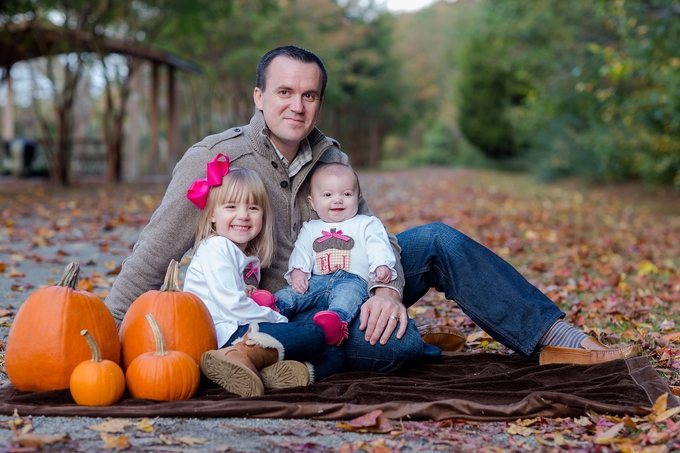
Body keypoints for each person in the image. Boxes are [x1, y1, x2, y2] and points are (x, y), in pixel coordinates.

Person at [105, 45, 640, 373]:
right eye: (285, 92)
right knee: (393, 344)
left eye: (310, 95)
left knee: (438, 240)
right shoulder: (217, 159)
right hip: (285, 310)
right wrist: (103, 340)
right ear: (258, 97)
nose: (298, 105)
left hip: (352, 283)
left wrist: (385, 290)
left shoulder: (330, 154)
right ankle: (415, 345)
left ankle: (558, 340)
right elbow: (151, 256)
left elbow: (371, 236)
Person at [182, 157, 346, 397]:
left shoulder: (242, 255)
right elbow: (233, 306)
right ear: (212, 216)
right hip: (225, 335)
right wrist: (276, 319)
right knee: (314, 334)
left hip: (243, 330)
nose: (243, 215)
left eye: (252, 208)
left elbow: (234, 296)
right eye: (231, 207)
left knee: (336, 355)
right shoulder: (217, 248)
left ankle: (278, 373)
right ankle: (240, 354)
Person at [272, 162, 397, 346]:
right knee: (295, 294)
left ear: (359, 198)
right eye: (328, 195)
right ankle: (273, 305)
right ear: (313, 202)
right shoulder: (311, 228)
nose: (338, 200)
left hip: (353, 280)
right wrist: (298, 271)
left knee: (347, 299)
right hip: (317, 279)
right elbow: (302, 250)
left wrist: (381, 264)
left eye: (346, 194)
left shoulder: (366, 223)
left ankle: (334, 324)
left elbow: (378, 244)